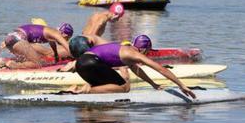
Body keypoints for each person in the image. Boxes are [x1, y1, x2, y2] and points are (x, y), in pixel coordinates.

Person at [63, 33, 196, 98]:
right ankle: (83, 91)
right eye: (148, 51)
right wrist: (181, 85)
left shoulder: (124, 50)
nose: (148, 54)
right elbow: (160, 68)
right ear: (144, 49)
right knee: (125, 87)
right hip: (91, 62)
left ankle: (76, 89)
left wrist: (153, 84)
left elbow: (137, 70)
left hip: (80, 63)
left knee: (102, 85)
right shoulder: (134, 54)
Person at [0, 22, 72, 70]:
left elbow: (52, 44)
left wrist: (56, 55)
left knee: (29, 59)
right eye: (67, 38)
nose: (66, 40)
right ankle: (10, 64)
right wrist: (79, 59)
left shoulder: (52, 32)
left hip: (13, 38)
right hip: (18, 40)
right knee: (37, 64)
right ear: (64, 34)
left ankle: (1, 62)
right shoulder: (57, 34)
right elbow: (68, 48)